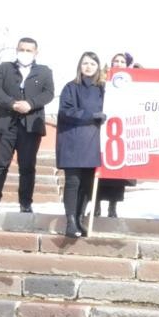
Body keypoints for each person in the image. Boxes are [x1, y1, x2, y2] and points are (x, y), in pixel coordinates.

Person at [0, 37, 55, 213]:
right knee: (0, 164)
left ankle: (25, 203)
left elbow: (49, 93)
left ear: (36, 52)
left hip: (30, 125)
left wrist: (30, 104)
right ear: (16, 50)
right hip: (6, 123)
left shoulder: (44, 72)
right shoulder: (4, 68)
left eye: (29, 50)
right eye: (22, 49)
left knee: (27, 166)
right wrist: (11, 103)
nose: (25, 53)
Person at [55, 52, 106, 237]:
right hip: (73, 139)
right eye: (85, 63)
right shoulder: (71, 87)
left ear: (98, 67)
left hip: (93, 141)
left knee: (86, 184)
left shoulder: (103, 88)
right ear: (80, 66)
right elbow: (65, 112)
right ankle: (70, 222)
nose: (88, 66)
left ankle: (80, 218)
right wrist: (89, 116)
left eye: (92, 63)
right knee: (73, 182)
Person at [95, 52, 135, 218]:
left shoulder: (131, 83)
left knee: (116, 173)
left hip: (120, 132)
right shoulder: (100, 82)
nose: (118, 63)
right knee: (97, 170)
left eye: (122, 61)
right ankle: (96, 207)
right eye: (115, 61)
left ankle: (113, 207)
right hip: (101, 130)